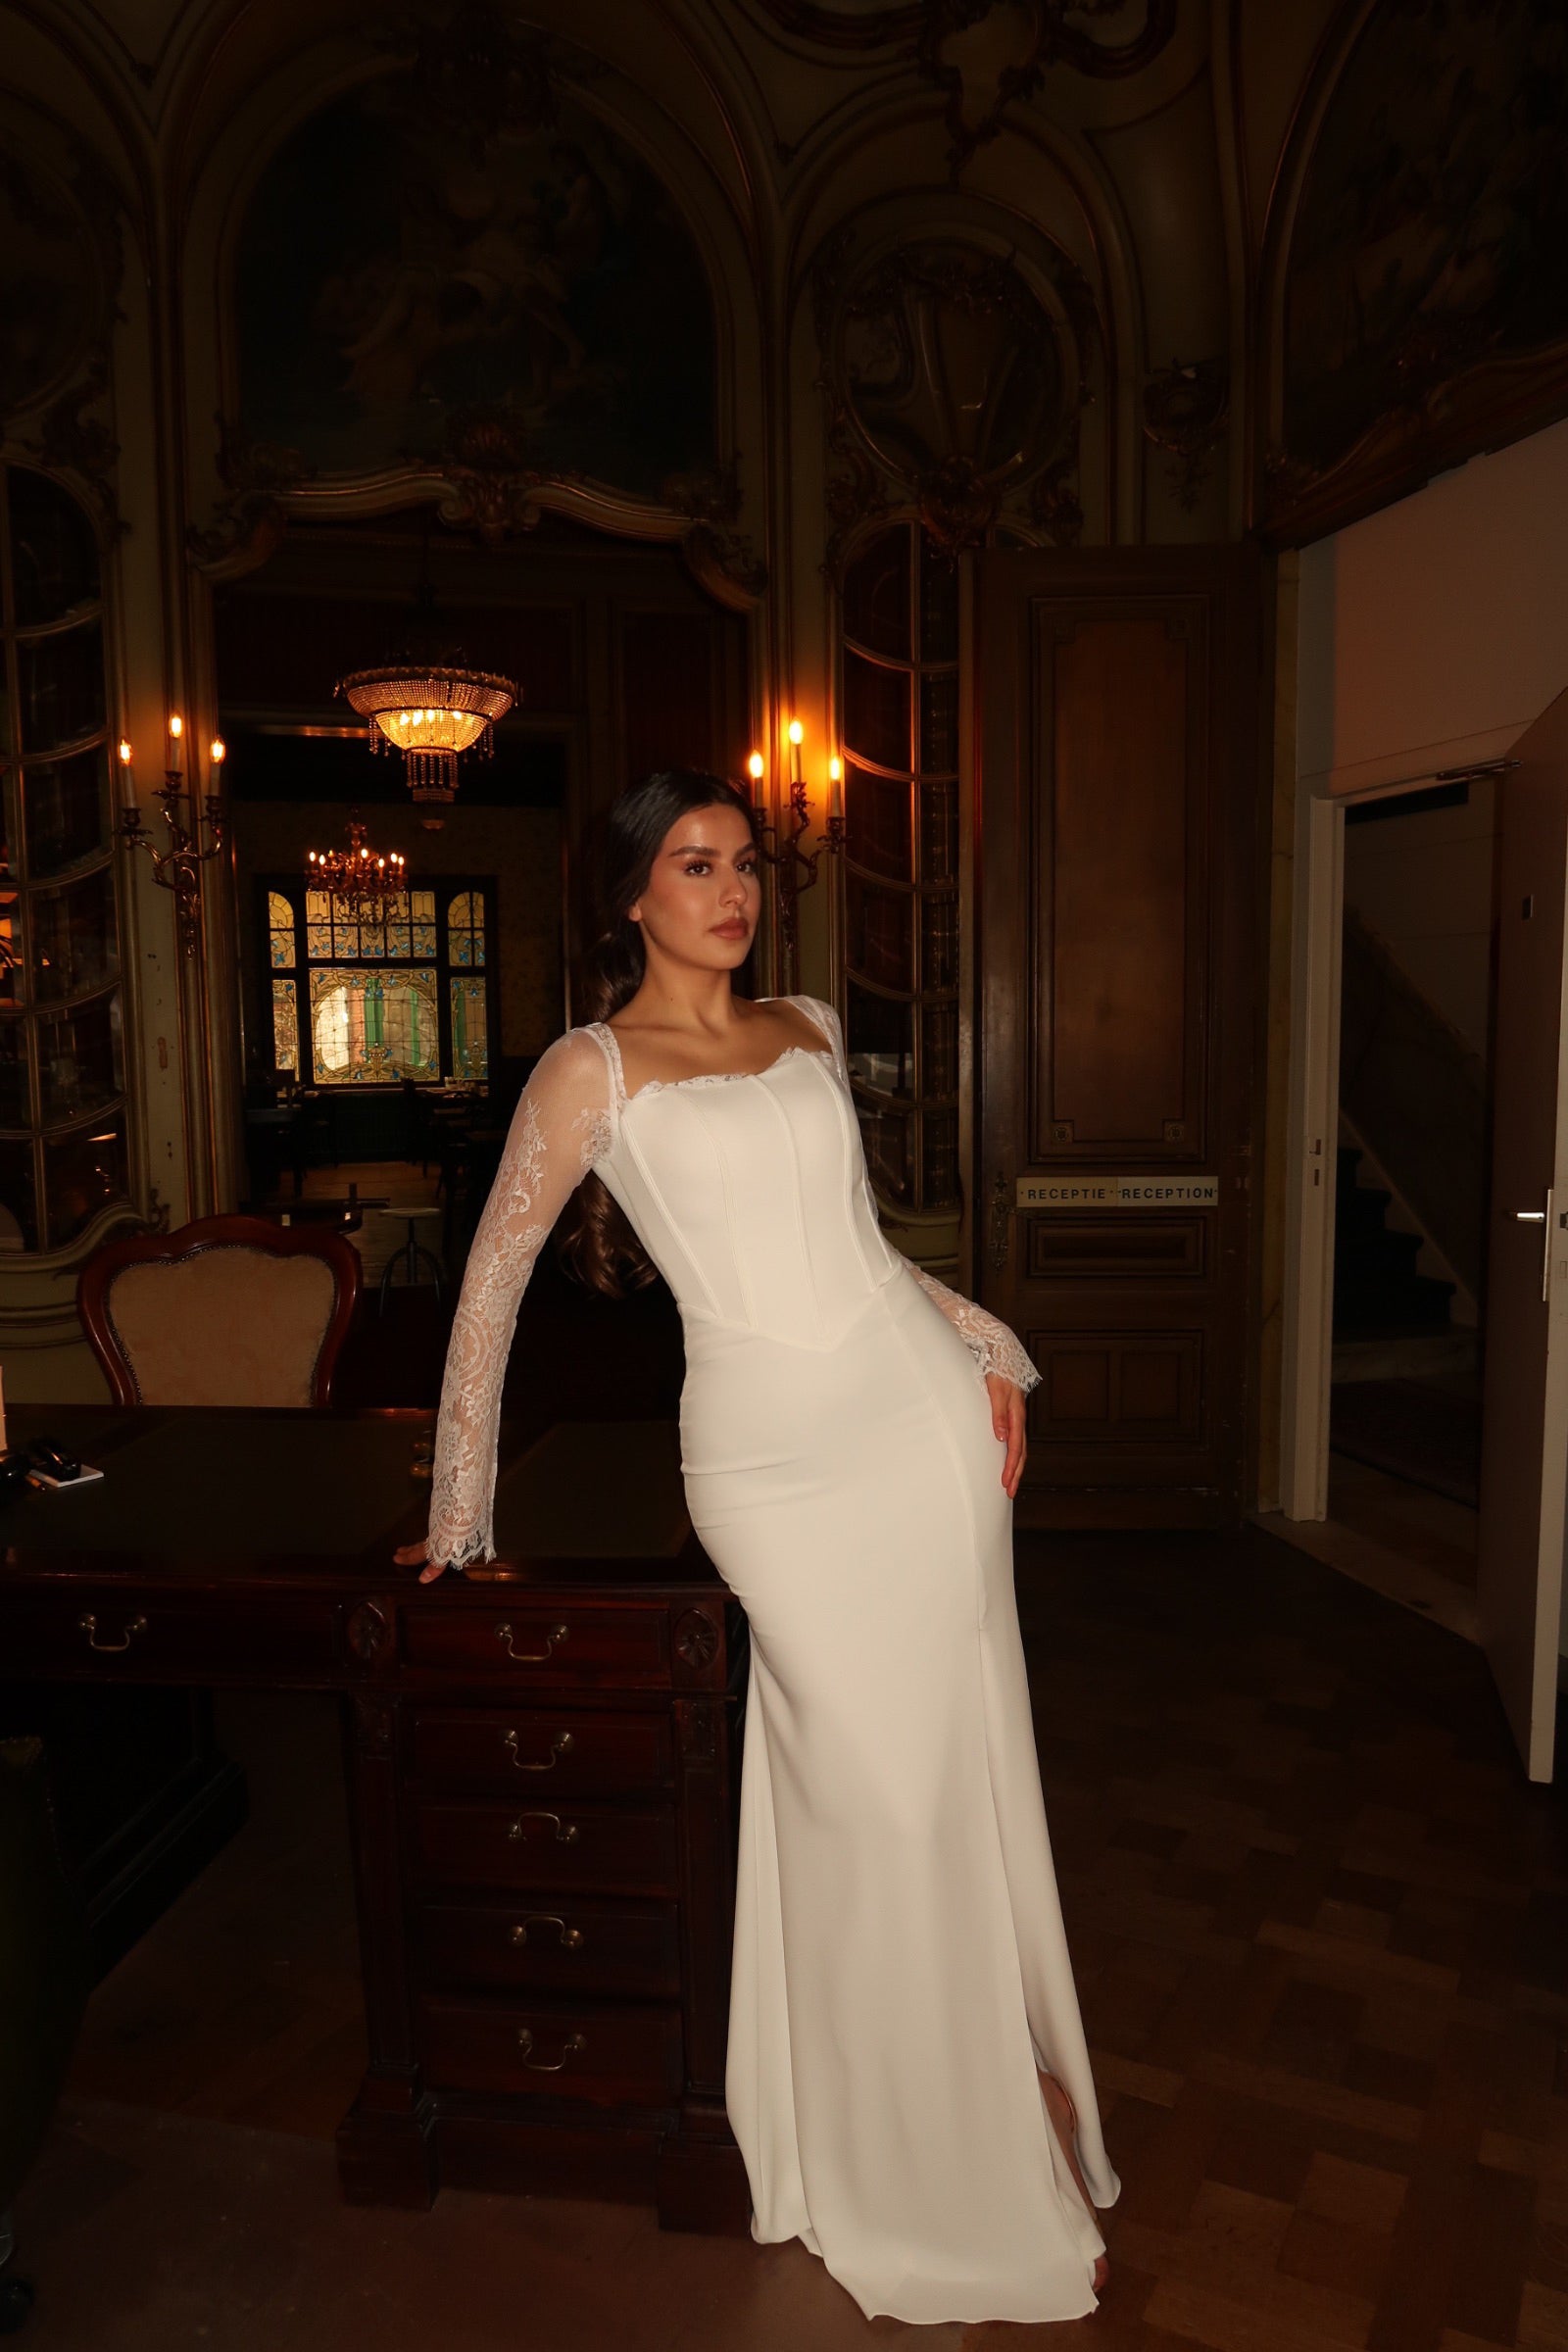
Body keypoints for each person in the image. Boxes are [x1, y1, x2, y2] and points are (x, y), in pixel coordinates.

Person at [396, 768, 1119, 2325]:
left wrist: (985, 1342)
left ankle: (1003, 2093)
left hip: (916, 1428)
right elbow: (488, 1297)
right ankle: (900, 2132)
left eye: (742, 862)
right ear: (630, 896)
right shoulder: (588, 1071)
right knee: (868, 1793)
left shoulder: (808, 1024)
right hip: (768, 1464)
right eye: (693, 864)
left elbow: (866, 1250)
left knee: (951, 1774)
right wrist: (458, 1515)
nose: (732, 892)